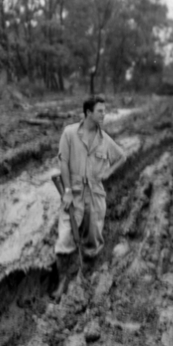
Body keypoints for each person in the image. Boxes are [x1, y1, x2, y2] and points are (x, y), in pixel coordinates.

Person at [55, 94, 126, 273]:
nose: (104, 114)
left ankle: (87, 275)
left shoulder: (105, 139)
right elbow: (63, 162)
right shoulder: (70, 133)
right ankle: (63, 277)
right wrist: (68, 191)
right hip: (75, 192)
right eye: (100, 111)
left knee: (93, 238)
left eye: (104, 111)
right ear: (88, 113)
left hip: (95, 193)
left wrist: (108, 172)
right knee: (64, 238)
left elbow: (122, 157)